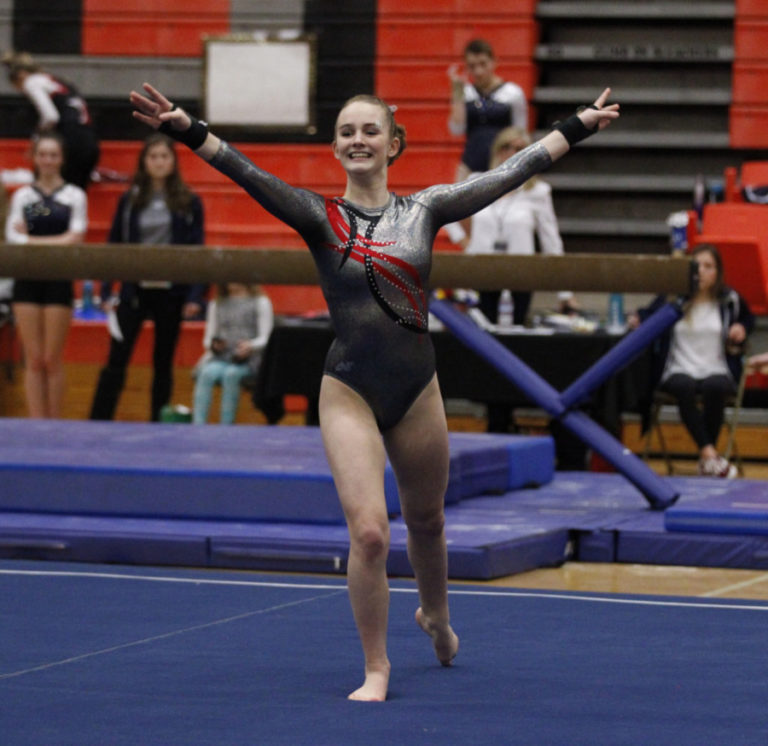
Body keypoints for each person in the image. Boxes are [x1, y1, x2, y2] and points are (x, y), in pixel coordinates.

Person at [130, 80, 619, 701]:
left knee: (427, 519)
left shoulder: (426, 210)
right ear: (336, 148)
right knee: (369, 533)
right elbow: (246, 173)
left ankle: (436, 615)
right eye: (346, 132)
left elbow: (510, 172)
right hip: (350, 388)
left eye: (369, 131)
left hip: (416, 388)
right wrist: (186, 127)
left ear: (393, 144)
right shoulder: (319, 216)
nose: (357, 140)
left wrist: (577, 124)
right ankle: (377, 666)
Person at [89, 133, 206, 423]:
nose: (159, 162)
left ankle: (158, 423)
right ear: (144, 161)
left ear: (173, 162)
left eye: (164, 156)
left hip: (171, 291)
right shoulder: (130, 199)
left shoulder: (189, 201)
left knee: (163, 362)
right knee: (117, 358)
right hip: (134, 289)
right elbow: (115, 243)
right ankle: (98, 420)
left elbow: (197, 250)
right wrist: (107, 289)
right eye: (153, 157)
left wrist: (194, 295)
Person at [630, 244, 754, 478]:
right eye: (696, 266)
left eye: (708, 266)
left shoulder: (730, 299)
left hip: (717, 367)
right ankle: (709, 455)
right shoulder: (673, 298)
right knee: (683, 385)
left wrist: (741, 328)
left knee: (715, 386)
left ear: (718, 272)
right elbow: (648, 315)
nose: (702, 272)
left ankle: (707, 458)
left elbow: (748, 319)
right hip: (678, 368)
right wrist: (636, 318)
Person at [445, 126, 575, 327]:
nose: (511, 153)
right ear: (497, 150)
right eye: (506, 147)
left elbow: (551, 240)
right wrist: (464, 242)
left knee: (517, 329)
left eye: (519, 149)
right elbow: (446, 212)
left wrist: (564, 293)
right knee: (483, 329)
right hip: (482, 268)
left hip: (521, 271)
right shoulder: (478, 181)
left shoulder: (538, 191)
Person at [4, 132, 87, 417]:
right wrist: (56, 239)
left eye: (53, 155)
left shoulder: (74, 195)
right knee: (34, 359)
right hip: (27, 280)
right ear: (34, 158)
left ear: (61, 159)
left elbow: (76, 237)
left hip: (58, 279)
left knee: (51, 359)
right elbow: (12, 238)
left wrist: (31, 239)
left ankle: (54, 423)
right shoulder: (23, 196)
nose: (48, 160)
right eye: (43, 154)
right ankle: (36, 423)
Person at [2, 51, 100, 190]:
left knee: (53, 190)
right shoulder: (54, 80)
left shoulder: (31, 82)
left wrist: (37, 139)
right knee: (74, 193)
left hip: (72, 143)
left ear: (21, 76)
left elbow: (50, 116)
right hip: (90, 141)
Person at [192, 282, 274, 425]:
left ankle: (226, 424)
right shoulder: (217, 303)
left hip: (250, 359)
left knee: (231, 375)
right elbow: (208, 338)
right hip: (221, 357)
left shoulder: (260, 302)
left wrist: (251, 345)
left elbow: (266, 337)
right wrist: (214, 345)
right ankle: (198, 422)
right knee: (206, 373)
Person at [447, 39, 528, 183]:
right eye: (472, 66)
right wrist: (457, 96)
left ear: (494, 62)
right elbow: (456, 130)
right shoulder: (466, 93)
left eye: (483, 64)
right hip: (471, 164)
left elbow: (520, 131)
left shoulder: (512, 93)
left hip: (503, 165)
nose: (478, 71)